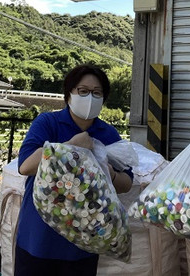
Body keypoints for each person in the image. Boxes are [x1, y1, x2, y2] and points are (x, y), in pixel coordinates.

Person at [14, 64, 133, 276]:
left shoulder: (108, 134)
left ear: (104, 99)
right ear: (69, 94)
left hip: (83, 245)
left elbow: (127, 183)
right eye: (83, 91)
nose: (90, 98)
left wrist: (110, 172)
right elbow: (25, 166)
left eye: (97, 93)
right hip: (39, 240)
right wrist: (69, 147)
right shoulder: (48, 122)